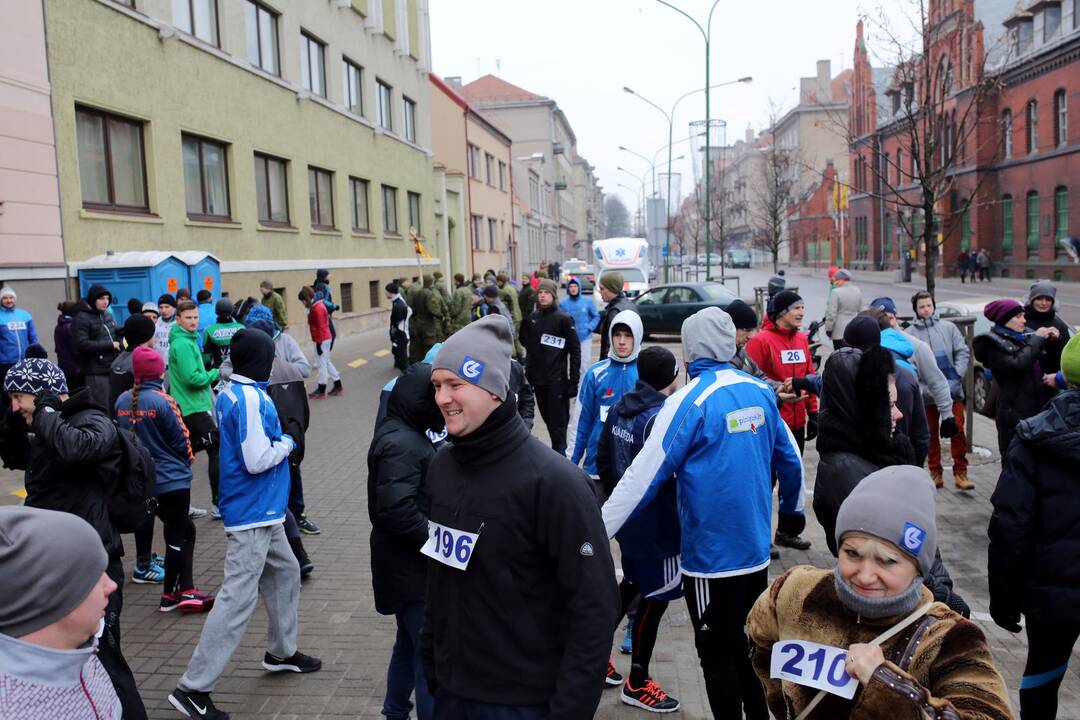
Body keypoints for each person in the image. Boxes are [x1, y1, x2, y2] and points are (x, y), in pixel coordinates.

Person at [602, 307, 805, 719]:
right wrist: (793, 512)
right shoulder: (760, 391)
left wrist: (591, 530)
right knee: (750, 647)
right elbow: (793, 461)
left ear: (689, 349)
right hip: (755, 553)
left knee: (716, 656)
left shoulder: (686, 402)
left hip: (709, 561)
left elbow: (642, 478)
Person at [421, 315, 620, 719]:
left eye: (456, 385)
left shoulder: (555, 482)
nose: (442, 398)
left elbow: (594, 609)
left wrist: (569, 710)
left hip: (524, 702)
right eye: (437, 386)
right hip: (450, 692)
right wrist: (431, 659)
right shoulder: (441, 467)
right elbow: (439, 577)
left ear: (494, 390)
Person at [748, 466, 1012, 720]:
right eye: (852, 553)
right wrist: (783, 704)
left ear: (917, 566)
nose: (865, 576)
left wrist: (887, 683)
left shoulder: (951, 639)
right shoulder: (795, 592)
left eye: (887, 561)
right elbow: (760, 638)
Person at [168, 329, 321, 720]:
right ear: (258, 359)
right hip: (253, 513)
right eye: (269, 357)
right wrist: (288, 440)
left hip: (262, 512)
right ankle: (193, 688)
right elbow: (256, 459)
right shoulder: (251, 398)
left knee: (286, 572)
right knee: (237, 599)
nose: (273, 364)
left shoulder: (232, 389)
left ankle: (281, 652)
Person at [0, 358, 146, 718]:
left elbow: (78, 448)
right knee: (76, 655)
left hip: (93, 562)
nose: (16, 406)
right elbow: (15, 453)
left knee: (105, 655)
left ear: (43, 394)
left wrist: (48, 410)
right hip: (54, 561)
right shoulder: (46, 425)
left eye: (19, 397)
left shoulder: (89, 418)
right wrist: (15, 419)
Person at [989, 333, 1080, 720]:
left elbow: (1011, 526)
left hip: (1050, 590)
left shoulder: (1033, 436)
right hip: (1052, 588)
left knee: (1043, 673)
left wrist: (1004, 598)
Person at [596, 346, 683, 712]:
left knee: (630, 585)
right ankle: (639, 681)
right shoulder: (660, 417)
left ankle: (593, 654)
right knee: (655, 599)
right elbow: (673, 477)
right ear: (670, 378)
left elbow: (603, 459)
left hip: (627, 521)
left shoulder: (619, 407)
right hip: (657, 528)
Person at [368, 363, 444, 720]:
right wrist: (440, 541)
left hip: (402, 564)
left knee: (409, 642)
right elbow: (398, 510)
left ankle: (395, 709)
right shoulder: (403, 443)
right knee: (426, 655)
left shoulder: (402, 433)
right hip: (410, 567)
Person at [0, 506, 124, 719]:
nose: (111, 585)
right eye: (94, 576)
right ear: (53, 597)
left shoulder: (81, 651)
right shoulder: (14, 710)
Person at [116, 347, 213, 612]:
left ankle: (173, 594)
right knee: (177, 535)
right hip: (173, 481)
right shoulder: (164, 401)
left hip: (144, 482)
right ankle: (182, 594)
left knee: (182, 531)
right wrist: (188, 462)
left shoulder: (122, 401)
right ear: (160, 371)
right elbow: (182, 440)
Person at [745, 290, 816, 551]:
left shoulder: (801, 339)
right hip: (771, 424)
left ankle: (787, 531)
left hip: (797, 423)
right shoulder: (761, 341)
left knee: (793, 479)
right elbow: (752, 382)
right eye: (796, 308)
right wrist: (778, 399)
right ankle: (760, 536)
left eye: (802, 308)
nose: (801, 313)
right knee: (766, 481)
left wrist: (814, 412)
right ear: (780, 312)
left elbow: (809, 376)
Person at [246, 307, 320, 549]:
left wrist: (278, 368)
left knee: (291, 470)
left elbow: (304, 368)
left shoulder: (285, 343)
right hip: (268, 437)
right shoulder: (247, 357)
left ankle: (297, 515)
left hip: (287, 428)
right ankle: (283, 521)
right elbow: (227, 369)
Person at [973, 299, 1058, 455]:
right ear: (1005, 319)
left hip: (1034, 410)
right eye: (1018, 316)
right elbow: (1017, 364)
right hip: (1013, 415)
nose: (1024, 320)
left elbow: (1037, 363)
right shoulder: (992, 343)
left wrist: (1051, 340)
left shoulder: (1021, 336)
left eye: (1024, 316)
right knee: (1016, 464)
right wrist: (1038, 338)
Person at [868, 297, 959, 444]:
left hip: (908, 418)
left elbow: (936, 381)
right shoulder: (864, 345)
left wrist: (947, 415)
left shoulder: (916, 347)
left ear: (895, 318)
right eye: (881, 320)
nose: (886, 324)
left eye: (890, 318)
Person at [907, 291, 972, 489]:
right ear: (916, 310)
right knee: (930, 432)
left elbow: (962, 352)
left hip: (952, 391)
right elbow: (912, 365)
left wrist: (956, 375)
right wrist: (923, 387)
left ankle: (961, 472)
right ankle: (935, 471)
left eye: (929, 305)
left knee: (958, 430)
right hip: (926, 395)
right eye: (922, 307)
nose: (926, 310)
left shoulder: (949, 328)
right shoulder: (910, 333)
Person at [571, 310, 642, 477]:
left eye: (628, 336)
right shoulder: (595, 374)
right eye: (617, 335)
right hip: (597, 469)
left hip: (635, 473)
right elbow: (581, 424)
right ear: (611, 336)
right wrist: (571, 465)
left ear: (637, 337)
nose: (622, 342)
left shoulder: (647, 372)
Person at [169, 299, 221, 518]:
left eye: (195, 317)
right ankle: (219, 505)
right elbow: (192, 378)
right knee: (216, 447)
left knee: (184, 454)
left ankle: (181, 505)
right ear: (178, 319)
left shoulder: (188, 339)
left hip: (193, 407)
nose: (193, 321)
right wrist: (215, 373)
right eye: (188, 318)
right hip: (192, 409)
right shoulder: (182, 344)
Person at [521, 278, 580, 454]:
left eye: (546, 293)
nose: (543, 296)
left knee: (558, 427)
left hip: (557, 382)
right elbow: (530, 349)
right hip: (539, 381)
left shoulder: (563, 318)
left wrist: (573, 381)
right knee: (548, 422)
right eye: (540, 293)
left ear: (553, 295)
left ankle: (560, 458)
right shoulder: (533, 319)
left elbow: (575, 351)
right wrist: (528, 377)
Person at [873, 310, 931, 466]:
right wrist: (915, 467)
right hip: (907, 462)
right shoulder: (906, 359)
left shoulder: (872, 365)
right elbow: (922, 435)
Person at [73, 283, 120, 406]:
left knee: (113, 404)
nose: (105, 302)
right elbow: (82, 344)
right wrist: (110, 345)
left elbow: (113, 333)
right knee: (101, 405)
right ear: (93, 299)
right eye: (101, 298)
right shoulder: (82, 318)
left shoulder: (106, 315)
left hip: (111, 367)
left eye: (107, 298)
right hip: (95, 371)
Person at [1025, 280, 1072, 398]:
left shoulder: (1059, 325)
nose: (1043, 303)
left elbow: (1066, 357)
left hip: (1053, 383)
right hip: (1026, 382)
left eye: (1048, 299)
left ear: (1053, 302)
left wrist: (1057, 339)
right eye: (1039, 299)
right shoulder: (1022, 321)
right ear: (1032, 300)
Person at [300, 286, 342, 399]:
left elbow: (320, 326)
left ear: (306, 299)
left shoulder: (317, 308)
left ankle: (321, 390)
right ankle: (338, 385)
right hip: (323, 338)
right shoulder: (316, 306)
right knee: (326, 362)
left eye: (303, 301)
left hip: (322, 339)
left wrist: (318, 343)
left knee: (321, 365)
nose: (303, 303)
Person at [560, 277, 602, 378]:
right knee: (570, 365)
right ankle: (571, 387)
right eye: (570, 286)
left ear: (579, 288)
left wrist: (590, 327)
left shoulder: (587, 301)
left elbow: (596, 316)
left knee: (584, 365)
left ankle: (583, 389)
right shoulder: (563, 303)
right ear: (568, 288)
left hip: (585, 338)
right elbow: (559, 319)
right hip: (568, 339)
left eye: (575, 286)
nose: (573, 288)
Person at [0, 287, 38, 396]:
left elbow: (33, 338)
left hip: (24, 362)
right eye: (5, 298)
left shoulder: (25, 315)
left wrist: (35, 357)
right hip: (5, 363)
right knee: (7, 393)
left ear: (15, 299)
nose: (9, 300)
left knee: (25, 391)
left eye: (11, 297)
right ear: (1, 300)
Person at [596, 271, 639, 360]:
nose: (600, 292)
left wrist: (604, 367)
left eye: (602, 288)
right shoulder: (630, 305)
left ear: (612, 289)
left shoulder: (615, 311)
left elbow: (609, 345)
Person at [408, 275, 446, 364]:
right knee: (428, 345)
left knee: (418, 346)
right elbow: (432, 309)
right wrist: (440, 316)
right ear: (431, 282)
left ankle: (414, 364)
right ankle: (426, 364)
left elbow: (412, 308)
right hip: (427, 324)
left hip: (417, 322)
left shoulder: (417, 293)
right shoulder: (429, 293)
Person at [201, 298, 244, 372]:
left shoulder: (209, 330)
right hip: (238, 371)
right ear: (232, 310)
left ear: (216, 312)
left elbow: (205, 357)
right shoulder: (241, 328)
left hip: (217, 373)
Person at [824, 269, 861, 350]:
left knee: (840, 357)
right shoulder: (857, 291)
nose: (835, 282)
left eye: (836, 280)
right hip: (854, 331)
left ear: (841, 280)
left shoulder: (836, 292)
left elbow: (831, 315)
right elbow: (861, 311)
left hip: (839, 333)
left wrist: (828, 329)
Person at [54, 300, 81, 391]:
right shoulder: (70, 327)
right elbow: (75, 349)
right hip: (74, 367)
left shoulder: (59, 326)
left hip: (64, 365)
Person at [387, 282, 411, 372]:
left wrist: (396, 336)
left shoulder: (399, 304)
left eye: (386, 292)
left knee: (403, 359)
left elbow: (399, 323)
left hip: (401, 335)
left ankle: (406, 378)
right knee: (399, 355)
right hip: (399, 334)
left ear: (391, 292)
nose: (385, 294)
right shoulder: (396, 302)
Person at [313, 268, 338, 347]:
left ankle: (324, 355)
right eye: (328, 274)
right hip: (324, 314)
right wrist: (333, 306)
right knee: (331, 335)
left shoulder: (323, 285)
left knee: (328, 336)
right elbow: (321, 300)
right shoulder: (321, 286)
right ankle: (323, 354)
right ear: (324, 276)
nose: (330, 276)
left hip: (326, 313)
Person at [155, 293, 178, 365]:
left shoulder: (179, 322)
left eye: (167, 307)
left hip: (174, 364)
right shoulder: (156, 322)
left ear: (174, 308)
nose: (163, 310)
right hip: (158, 364)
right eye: (161, 307)